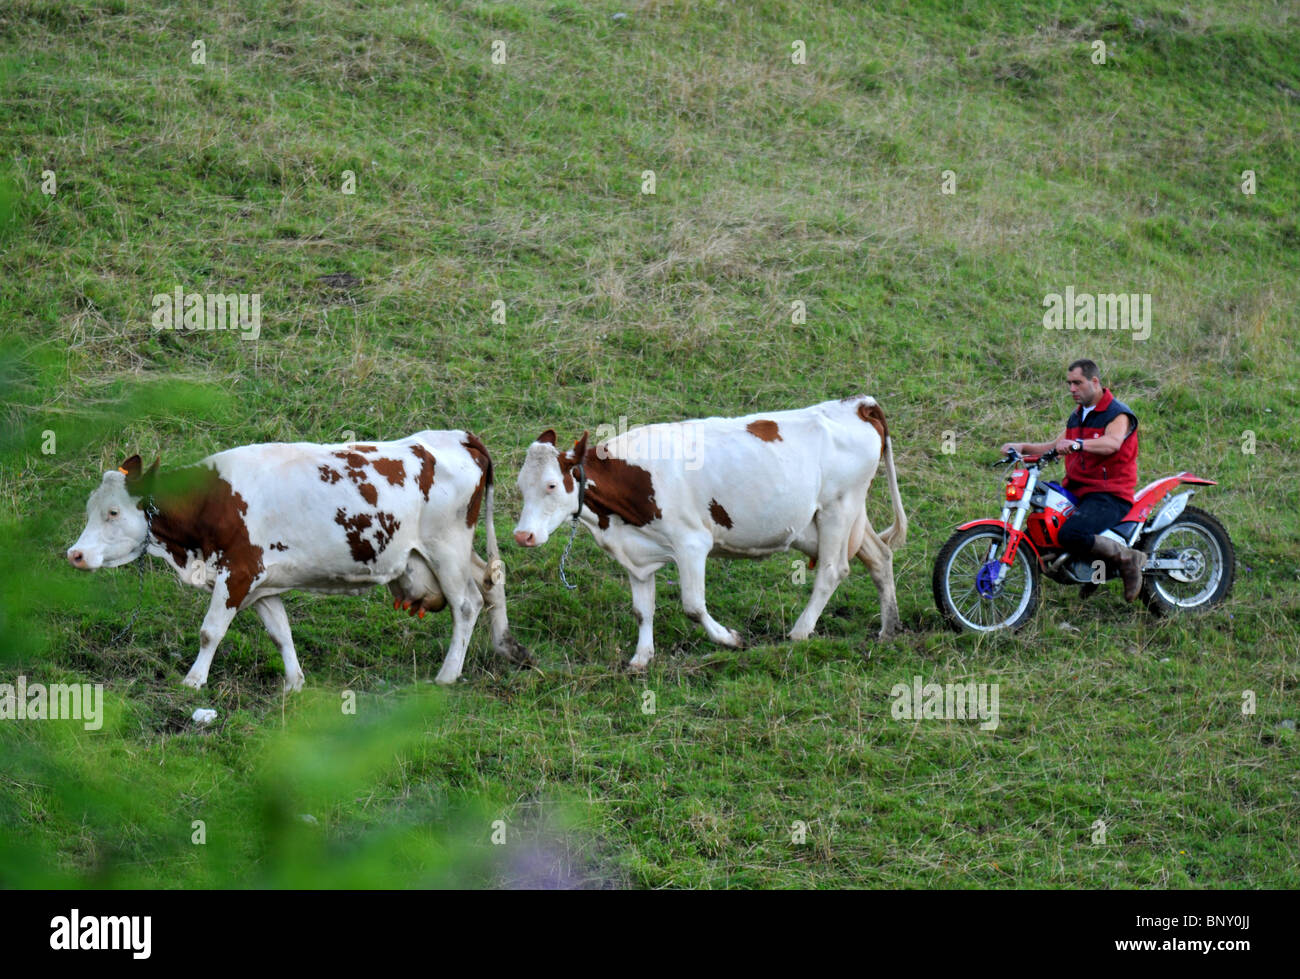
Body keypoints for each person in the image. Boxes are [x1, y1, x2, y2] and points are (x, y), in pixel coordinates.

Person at [1000, 359, 1145, 601]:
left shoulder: (1117, 414)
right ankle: (1035, 592)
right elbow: (1054, 447)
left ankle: (1128, 558)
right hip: (1077, 490)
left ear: (1095, 382)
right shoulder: (1078, 416)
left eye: (1077, 383)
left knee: (1071, 534)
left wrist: (1078, 444)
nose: (1072, 389)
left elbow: (1112, 443)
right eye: (1069, 384)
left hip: (1109, 494)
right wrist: (1022, 447)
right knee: (1039, 530)